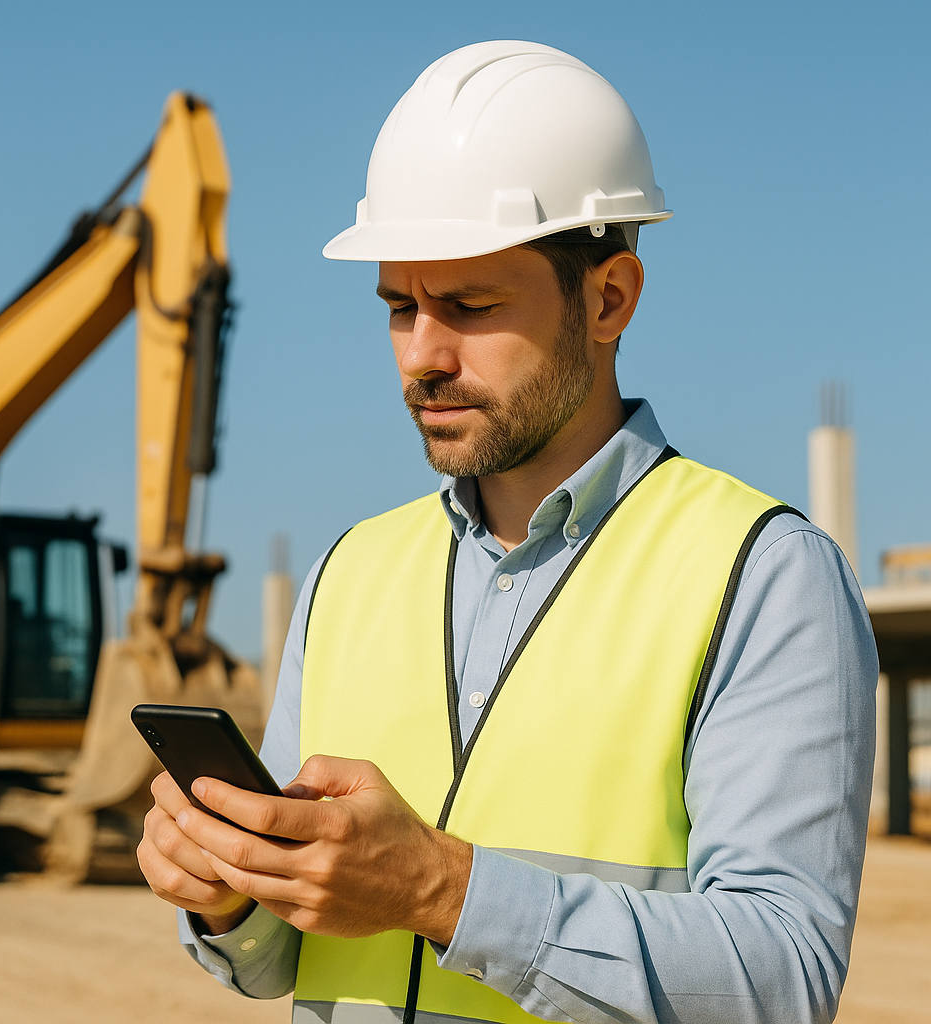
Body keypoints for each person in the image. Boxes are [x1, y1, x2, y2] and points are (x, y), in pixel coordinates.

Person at [137, 41, 878, 1024]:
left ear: (608, 298)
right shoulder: (349, 575)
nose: (421, 356)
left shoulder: (762, 577)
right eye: (399, 307)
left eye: (470, 307)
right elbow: (278, 957)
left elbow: (779, 982)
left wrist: (443, 889)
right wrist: (229, 890)